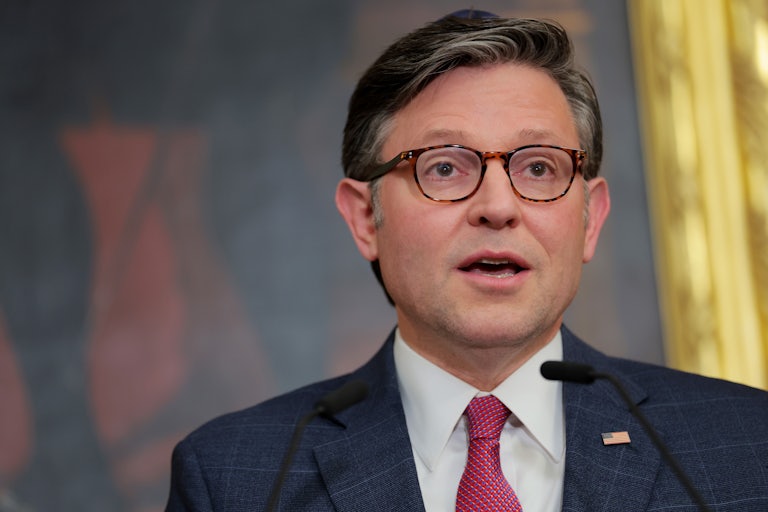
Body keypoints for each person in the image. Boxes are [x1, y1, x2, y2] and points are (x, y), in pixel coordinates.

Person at [166, 10, 768, 512]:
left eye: (539, 167)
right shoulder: (238, 478)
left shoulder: (743, 446)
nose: (499, 207)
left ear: (592, 218)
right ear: (364, 217)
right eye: (445, 167)